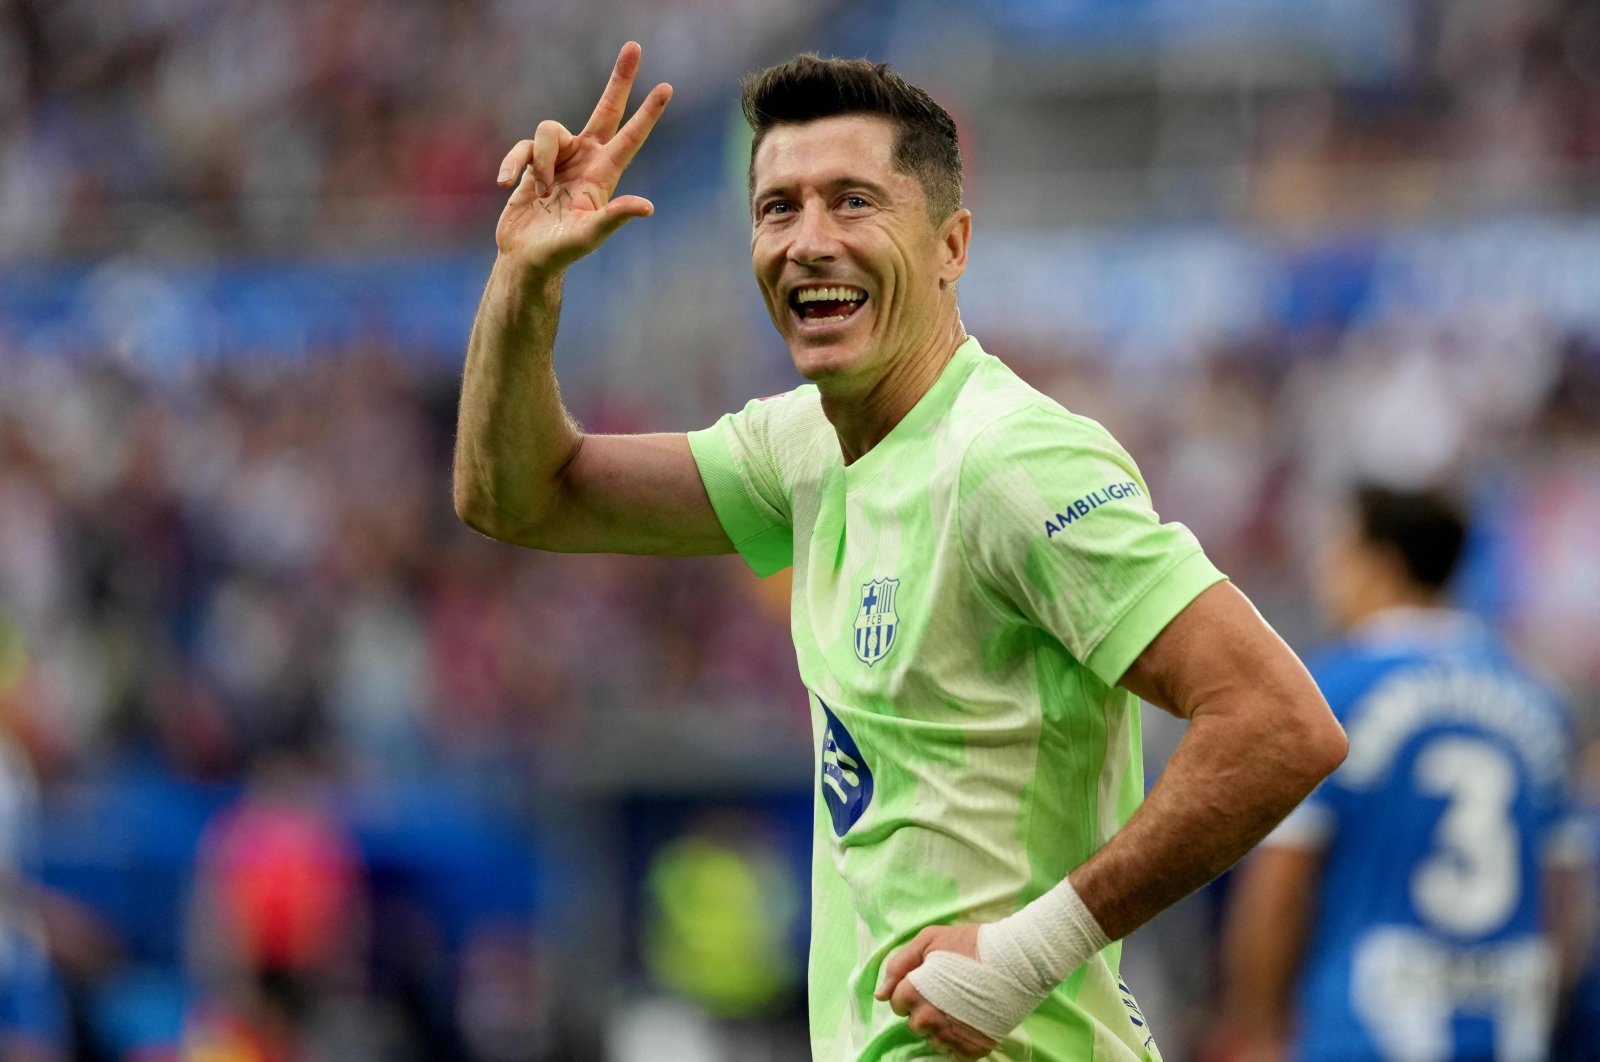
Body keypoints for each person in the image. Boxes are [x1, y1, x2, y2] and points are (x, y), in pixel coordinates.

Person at [453, 43, 1347, 1062]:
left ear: (950, 245)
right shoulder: (798, 449)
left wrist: (1022, 953)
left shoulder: (1009, 461)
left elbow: (1280, 723)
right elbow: (518, 495)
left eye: (853, 202)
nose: (808, 241)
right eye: (777, 208)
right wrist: (524, 278)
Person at [1212, 486, 1592, 1062]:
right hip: (1507, 1034)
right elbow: (1564, 898)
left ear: (1381, 566)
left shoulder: (1329, 692)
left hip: (1361, 1032)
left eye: (1338, 553)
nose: (1325, 574)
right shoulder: (1539, 699)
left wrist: (1257, 1028)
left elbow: (1280, 880)